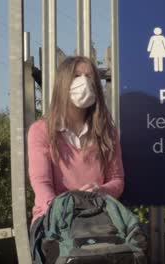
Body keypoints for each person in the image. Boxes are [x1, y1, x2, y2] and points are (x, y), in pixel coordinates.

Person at [27, 56, 125, 225]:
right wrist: (63, 211)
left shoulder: (107, 132)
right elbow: (41, 183)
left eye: (89, 77)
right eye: (77, 76)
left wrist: (102, 191)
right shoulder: (41, 130)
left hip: (97, 217)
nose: (84, 82)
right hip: (53, 221)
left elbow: (117, 180)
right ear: (63, 83)